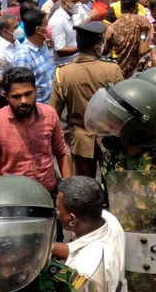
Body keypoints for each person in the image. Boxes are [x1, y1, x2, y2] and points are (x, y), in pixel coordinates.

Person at [53, 176, 132, 292]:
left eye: (59, 209)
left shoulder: (85, 272)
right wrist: (48, 249)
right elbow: (79, 249)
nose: (57, 212)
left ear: (72, 219)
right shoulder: (108, 220)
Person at [0, 67, 71, 193]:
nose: (24, 101)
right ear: (6, 96)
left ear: (35, 90)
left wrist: (67, 189)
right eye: (16, 96)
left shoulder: (50, 114)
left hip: (49, 191)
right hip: (14, 198)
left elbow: (61, 152)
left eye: (28, 94)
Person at [51, 22, 124, 177]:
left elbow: (54, 113)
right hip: (110, 137)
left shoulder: (62, 73)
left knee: (85, 187)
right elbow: (123, 107)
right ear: (98, 47)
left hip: (80, 138)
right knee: (113, 183)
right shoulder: (112, 69)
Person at [103, 0, 152, 79]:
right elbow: (143, 50)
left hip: (120, 72)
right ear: (133, 9)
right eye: (137, 7)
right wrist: (144, 35)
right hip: (138, 71)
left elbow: (105, 50)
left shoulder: (112, 27)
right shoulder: (142, 21)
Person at [13, 8, 56, 103]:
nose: (49, 27)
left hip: (52, 104)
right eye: (46, 24)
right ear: (38, 29)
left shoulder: (43, 45)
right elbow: (22, 90)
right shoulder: (24, 56)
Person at [49, 0, 83, 65]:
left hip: (75, 62)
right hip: (64, 65)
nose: (77, 5)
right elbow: (60, 50)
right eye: (74, 2)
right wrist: (83, 47)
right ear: (64, 3)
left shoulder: (72, 15)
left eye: (78, 1)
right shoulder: (58, 21)